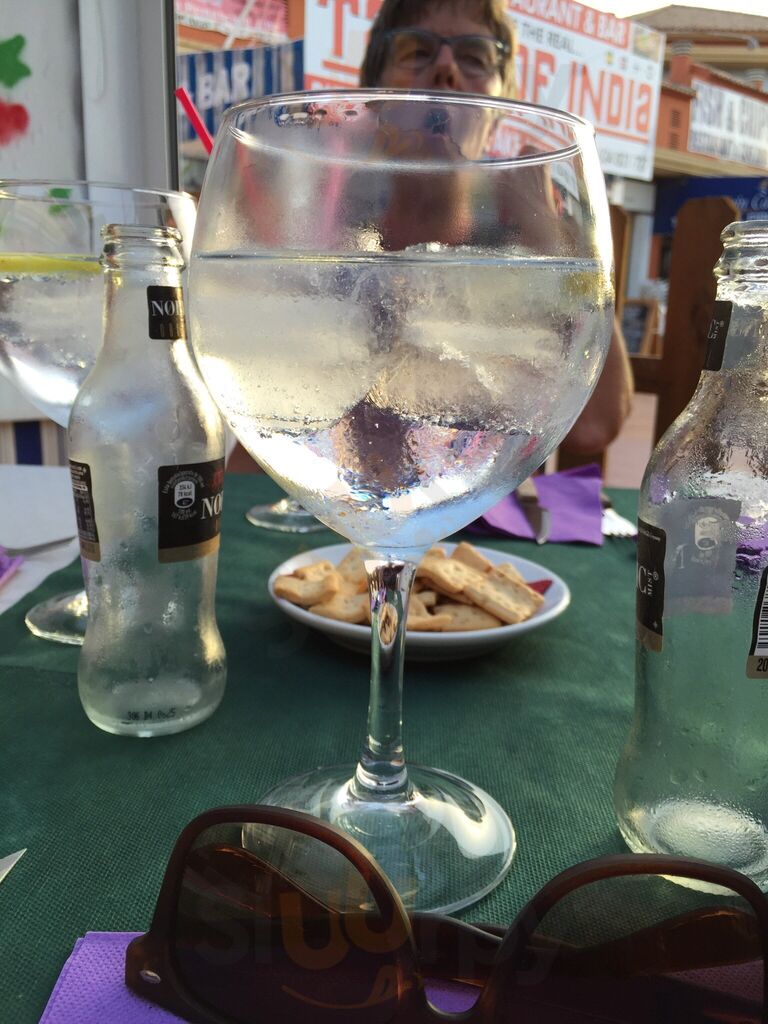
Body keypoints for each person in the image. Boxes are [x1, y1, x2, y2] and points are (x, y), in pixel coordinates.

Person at [359, 0, 634, 457]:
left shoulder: (530, 231)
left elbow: (595, 426)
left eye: (474, 57)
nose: (446, 68)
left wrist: (547, 235)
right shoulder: (326, 224)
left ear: (501, 104)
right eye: (416, 50)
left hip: (480, 498)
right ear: (373, 94)